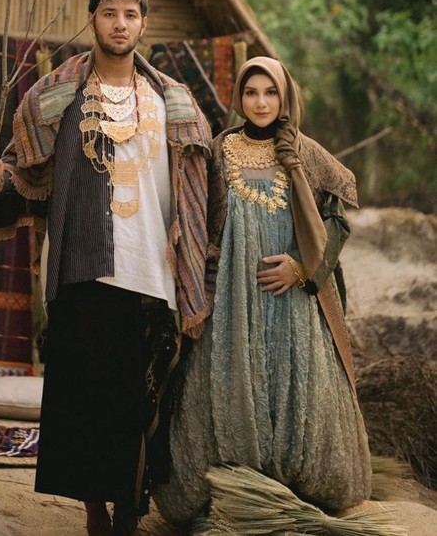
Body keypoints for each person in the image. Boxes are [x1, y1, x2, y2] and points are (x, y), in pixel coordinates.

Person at [0, 0, 212, 536]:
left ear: (143, 24)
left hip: (153, 271)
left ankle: (130, 504)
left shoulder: (174, 102)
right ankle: (96, 514)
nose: (120, 24)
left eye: (131, 14)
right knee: (83, 397)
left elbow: (204, 190)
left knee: (139, 398)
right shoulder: (56, 95)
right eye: (109, 13)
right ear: (93, 20)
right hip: (81, 266)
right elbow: (27, 170)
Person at [154, 56, 372, 528]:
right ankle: (235, 488)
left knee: (295, 384)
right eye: (251, 93)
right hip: (232, 300)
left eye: (270, 93)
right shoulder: (219, 149)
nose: (260, 102)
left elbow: (336, 222)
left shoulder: (306, 153)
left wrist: (301, 267)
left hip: (290, 299)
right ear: (239, 98)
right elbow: (197, 213)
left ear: (285, 98)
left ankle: (291, 490)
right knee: (229, 381)